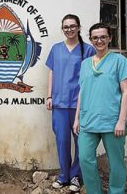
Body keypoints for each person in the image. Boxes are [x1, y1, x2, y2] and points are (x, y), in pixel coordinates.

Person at [73, 23, 127, 194]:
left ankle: (116, 191)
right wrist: (77, 118)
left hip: (112, 122)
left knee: (116, 163)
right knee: (85, 159)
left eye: (103, 37)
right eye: (95, 37)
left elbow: (126, 92)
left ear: (109, 38)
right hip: (88, 120)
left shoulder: (119, 61)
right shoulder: (85, 64)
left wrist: (121, 121)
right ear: (91, 40)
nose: (99, 40)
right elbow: (82, 92)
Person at [45, 14, 96, 192]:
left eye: (72, 26)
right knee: (62, 141)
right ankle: (64, 176)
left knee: (82, 142)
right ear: (62, 29)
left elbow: (90, 77)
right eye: (66, 26)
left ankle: (75, 176)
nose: (69, 29)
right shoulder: (56, 48)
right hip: (59, 103)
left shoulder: (87, 50)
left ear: (79, 27)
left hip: (79, 104)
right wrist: (49, 95)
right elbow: (51, 72)